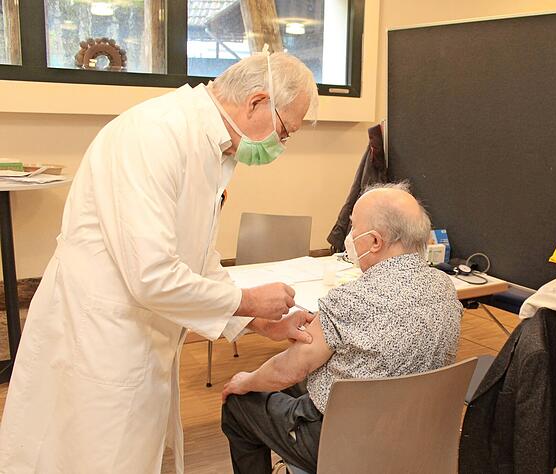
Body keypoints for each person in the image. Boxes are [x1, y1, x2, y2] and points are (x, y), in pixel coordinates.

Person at [0, 50, 319, 473]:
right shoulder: (156, 134)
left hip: (138, 336)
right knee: (85, 457)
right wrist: (248, 301)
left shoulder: (213, 147)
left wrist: (255, 322)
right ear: (257, 102)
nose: (280, 146)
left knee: (125, 454)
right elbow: (152, 275)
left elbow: (197, 259)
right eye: (285, 131)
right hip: (101, 335)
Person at [220, 183, 463, 473]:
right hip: (417, 432)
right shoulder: (445, 288)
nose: (348, 237)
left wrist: (244, 381)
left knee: (238, 405)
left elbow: (289, 369)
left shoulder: (349, 299)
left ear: (374, 241)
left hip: (345, 442)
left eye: (353, 228)